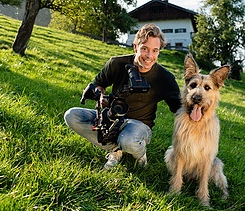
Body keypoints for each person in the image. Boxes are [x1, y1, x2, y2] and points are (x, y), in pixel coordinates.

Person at [64, 23, 181, 169]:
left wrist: (198, 105)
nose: (149, 56)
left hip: (140, 125)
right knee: (72, 116)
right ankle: (115, 150)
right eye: (144, 49)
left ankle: (140, 152)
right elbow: (98, 84)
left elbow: (179, 107)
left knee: (128, 140)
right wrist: (100, 96)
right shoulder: (117, 63)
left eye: (155, 50)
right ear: (135, 47)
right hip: (112, 117)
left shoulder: (165, 78)